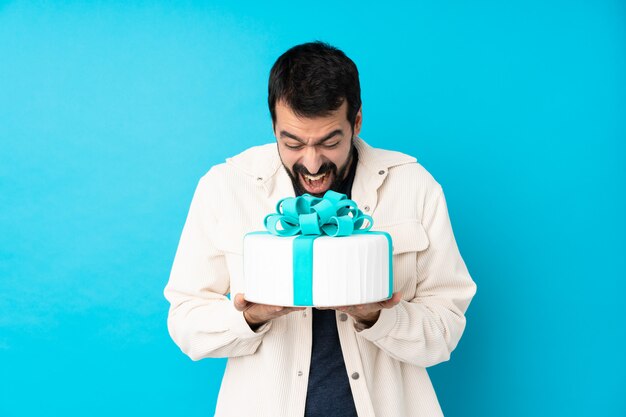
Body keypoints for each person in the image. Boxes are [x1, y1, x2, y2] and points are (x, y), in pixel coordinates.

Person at [164, 41, 477, 417]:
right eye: (292, 142)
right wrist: (251, 317)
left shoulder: (413, 186)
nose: (312, 164)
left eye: (330, 142)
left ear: (356, 122)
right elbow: (185, 321)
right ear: (274, 126)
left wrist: (376, 317)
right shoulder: (226, 186)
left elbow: (445, 331)